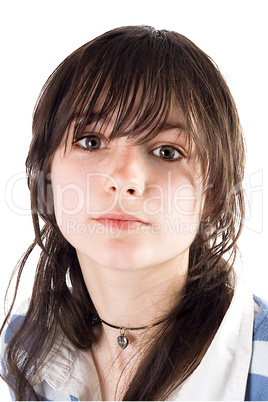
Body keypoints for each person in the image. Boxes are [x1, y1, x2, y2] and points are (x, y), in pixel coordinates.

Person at [1, 25, 268, 401]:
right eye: (91, 141)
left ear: (213, 191)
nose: (125, 179)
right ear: (45, 175)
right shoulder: (27, 339)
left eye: (167, 151)